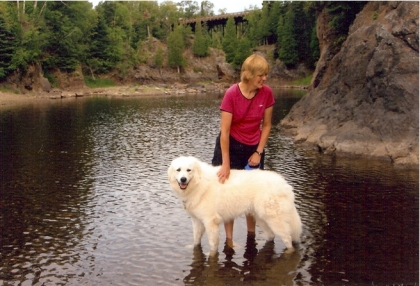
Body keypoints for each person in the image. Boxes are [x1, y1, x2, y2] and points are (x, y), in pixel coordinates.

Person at [211, 54, 275, 248]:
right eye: (260, 75)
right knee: (227, 195)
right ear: (248, 75)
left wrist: (259, 152)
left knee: (252, 196)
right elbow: (225, 132)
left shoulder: (267, 93)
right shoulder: (231, 94)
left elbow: (267, 125)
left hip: (253, 148)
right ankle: (229, 241)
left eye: (265, 75)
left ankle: (250, 238)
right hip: (229, 146)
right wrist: (226, 163)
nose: (264, 79)